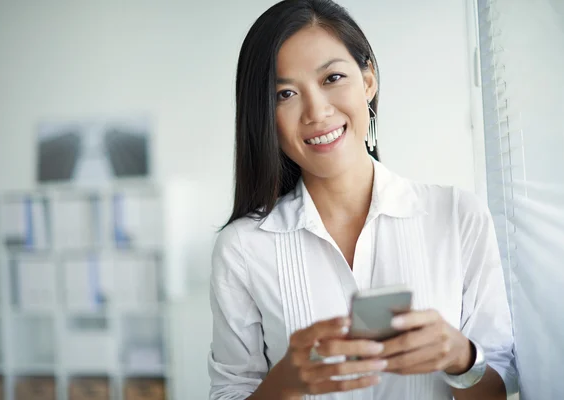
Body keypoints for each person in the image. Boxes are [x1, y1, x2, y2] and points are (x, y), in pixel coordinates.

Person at [207, 0, 518, 399]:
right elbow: (229, 391)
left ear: (368, 80)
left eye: (332, 77)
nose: (316, 111)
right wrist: (285, 383)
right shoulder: (243, 248)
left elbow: (500, 390)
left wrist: (460, 357)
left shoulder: (458, 216)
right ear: (264, 115)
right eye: (285, 93)